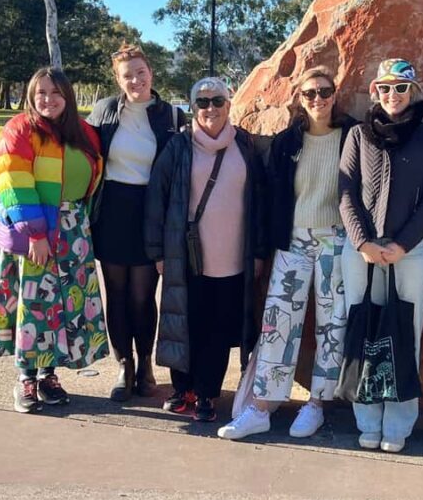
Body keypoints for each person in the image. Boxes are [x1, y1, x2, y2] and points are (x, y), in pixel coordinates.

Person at [217, 67, 357, 440]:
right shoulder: (286, 142)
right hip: (293, 240)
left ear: (334, 94)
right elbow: (270, 199)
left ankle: (316, 405)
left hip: (338, 240)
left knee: (333, 324)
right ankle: (262, 407)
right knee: (278, 320)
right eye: (309, 93)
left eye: (324, 92)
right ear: (299, 98)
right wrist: (264, 247)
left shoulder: (353, 136)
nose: (317, 100)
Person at [339, 59, 423, 452]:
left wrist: (402, 244)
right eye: (384, 88)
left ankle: (399, 423)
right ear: (375, 92)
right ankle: (367, 419)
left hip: (410, 251)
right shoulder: (357, 136)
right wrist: (363, 243)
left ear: (413, 92)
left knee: (405, 333)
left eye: (400, 88)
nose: (392, 96)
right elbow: (346, 191)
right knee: (364, 331)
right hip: (362, 252)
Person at [144, 77, 267, 423]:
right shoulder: (178, 147)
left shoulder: (244, 146)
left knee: (216, 330)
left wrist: (258, 252)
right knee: (186, 323)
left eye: (217, 101)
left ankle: (208, 394)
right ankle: (183, 389)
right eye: (202, 102)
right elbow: (157, 200)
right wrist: (158, 253)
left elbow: (259, 204)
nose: (210, 108)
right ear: (192, 107)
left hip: (232, 259)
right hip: (187, 257)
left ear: (229, 105)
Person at [0, 67, 108, 413]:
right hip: (36, 232)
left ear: (68, 97)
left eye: (56, 93)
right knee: (35, 303)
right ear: (31, 95)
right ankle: (26, 377)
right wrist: (35, 234)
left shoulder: (83, 133)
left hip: (73, 232)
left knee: (63, 304)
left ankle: (48, 374)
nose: (48, 100)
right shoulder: (20, 130)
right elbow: (13, 180)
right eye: (41, 92)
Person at [86, 43, 187, 401]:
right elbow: (81, 150)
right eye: (127, 75)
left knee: (143, 295)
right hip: (113, 210)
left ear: (151, 74)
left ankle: (146, 365)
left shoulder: (171, 116)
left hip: (151, 211)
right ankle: (123, 365)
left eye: (140, 72)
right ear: (117, 79)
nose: (135, 80)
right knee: (116, 293)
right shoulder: (103, 111)